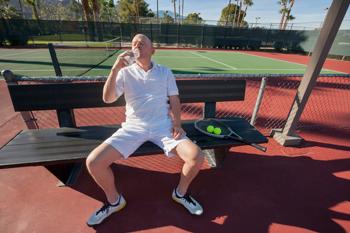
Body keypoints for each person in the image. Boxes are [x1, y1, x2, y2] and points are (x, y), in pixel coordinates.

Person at [86, 34, 205, 227]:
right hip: (133, 128)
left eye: (142, 42)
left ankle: (180, 193)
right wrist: (115, 68)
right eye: (134, 43)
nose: (137, 44)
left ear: (152, 50)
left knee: (196, 156)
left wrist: (177, 124)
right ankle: (114, 201)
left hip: (163, 126)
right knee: (93, 162)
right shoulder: (124, 73)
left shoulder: (165, 72)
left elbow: (174, 99)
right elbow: (107, 98)